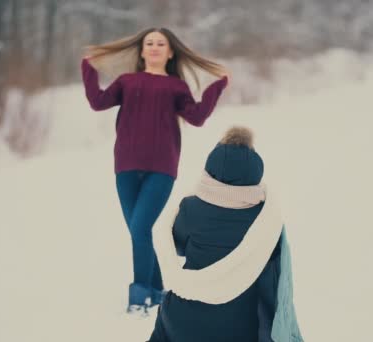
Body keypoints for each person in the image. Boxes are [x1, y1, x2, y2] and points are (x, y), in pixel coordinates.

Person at [81, 27, 230, 316]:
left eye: (160, 43)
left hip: (162, 167)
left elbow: (197, 117)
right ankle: (159, 292)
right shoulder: (126, 81)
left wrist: (217, 86)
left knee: (139, 229)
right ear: (141, 50)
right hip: (125, 165)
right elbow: (98, 102)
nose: (154, 47)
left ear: (170, 51)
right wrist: (87, 68)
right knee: (141, 232)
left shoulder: (176, 87)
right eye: (149, 43)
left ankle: (139, 297)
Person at [150, 127, 304, 341]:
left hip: (183, 323)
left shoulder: (190, 207)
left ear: (210, 168)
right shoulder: (265, 218)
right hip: (240, 327)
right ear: (255, 171)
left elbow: (179, 246)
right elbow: (272, 272)